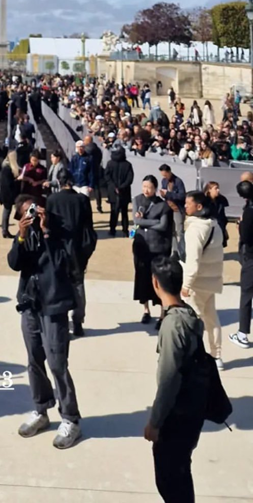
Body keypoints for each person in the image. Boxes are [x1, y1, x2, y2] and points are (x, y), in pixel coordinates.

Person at [8, 194, 82, 449]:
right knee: (33, 360)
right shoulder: (24, 234)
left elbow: (64, 264)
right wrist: (20, 235)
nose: (28, 216)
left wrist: (47, 231)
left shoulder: (59, 231)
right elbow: (14, 263)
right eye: (23, 214)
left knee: (57, 363)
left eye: (32, 211)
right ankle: (41, 409)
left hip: (54, 304)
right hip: (30, 303)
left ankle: (70, 418)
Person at [144, 255, 207, 503]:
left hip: (177, 416)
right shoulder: (188, 313)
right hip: (193, 410)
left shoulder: (172, 326)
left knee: (169, 479)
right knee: (181, 472)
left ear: (155, 283)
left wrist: (155, 422)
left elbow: (168, 381)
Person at [47, 170, 97, 337]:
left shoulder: (52, 200)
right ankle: (78, 321)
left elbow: (47, 227)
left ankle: (61, 319)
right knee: (78, 286)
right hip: (77, 249)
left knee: (58, 285)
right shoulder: (82, 200)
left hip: (57, 249)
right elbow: (89, 228)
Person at [181, 191, 224, 369]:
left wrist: (186, 285)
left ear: (198, 207)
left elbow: (193, 261)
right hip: (211, 281)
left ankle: (192, 357)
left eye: (187, 204)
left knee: (191, 322)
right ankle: (217, 355)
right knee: (211, 319)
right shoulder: (215, 225)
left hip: (196, 284)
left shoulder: (196, 229)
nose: (185, 206)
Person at [133, 176, 172, 326]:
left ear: (155, 188)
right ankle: (146, 310)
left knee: (159, 279)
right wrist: (151, 222)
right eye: (144, 186)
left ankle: (162, 312)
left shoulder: (163, 206)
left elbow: (163, 226)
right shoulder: (137, 200)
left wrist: (146, 224)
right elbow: (136, 222)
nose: (146, 190)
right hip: (141, 245)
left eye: (149, 187)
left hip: (158, 246)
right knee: (142, 277)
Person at [229, 179, 253, 350]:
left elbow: (245, 237)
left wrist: (241, 225)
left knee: (246, 295)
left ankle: (242, 334)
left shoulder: (249, 212)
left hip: (251, 258)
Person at [104, 144, 134, 237]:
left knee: (114, 211)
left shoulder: (110, 163)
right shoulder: (128, 164)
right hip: (124, 191)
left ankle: (112, 230)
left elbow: (107, 176)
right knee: (124, 212)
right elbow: (130, 178)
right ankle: (125, 230)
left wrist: (114, 187)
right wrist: (122, 187)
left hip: (113, 191)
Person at [158, 165, 186, 257]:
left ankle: (181, 251)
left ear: (169, 172)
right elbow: (166, 195)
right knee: (172, 231)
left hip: (177, 209)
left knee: (179, 231)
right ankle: (174, 251)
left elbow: (182, 196)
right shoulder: (164, 181)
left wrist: (168, 194)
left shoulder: (178, 181)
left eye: (165, 175)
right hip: (168, 208)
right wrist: (163, 194)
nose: (164, 177)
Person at [0, 149, 20, 238]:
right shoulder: (7, 169)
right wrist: (17, 180)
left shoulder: (5, 167)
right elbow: (9, 184)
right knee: (7, 212)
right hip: (8, 194)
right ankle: (5, 230)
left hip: (5, 194)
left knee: (6, 212)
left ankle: (5, 230)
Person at [203, 181, 229, 247]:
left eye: (218, 188)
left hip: (220, 224)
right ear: (209, 190)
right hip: (209, 224)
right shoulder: (204, 200)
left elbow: (222, 214)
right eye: (216, 188)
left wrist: (224, 226)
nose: (218, 190)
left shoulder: (221, 199)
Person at [83, 135, 103, 213]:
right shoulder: (98, 149)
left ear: (88, 141)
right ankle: (99, 206)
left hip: (88, 172)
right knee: (97, 189)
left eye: (85, 140)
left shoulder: (86, 150)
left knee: (86, 189)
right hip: (96, 170)